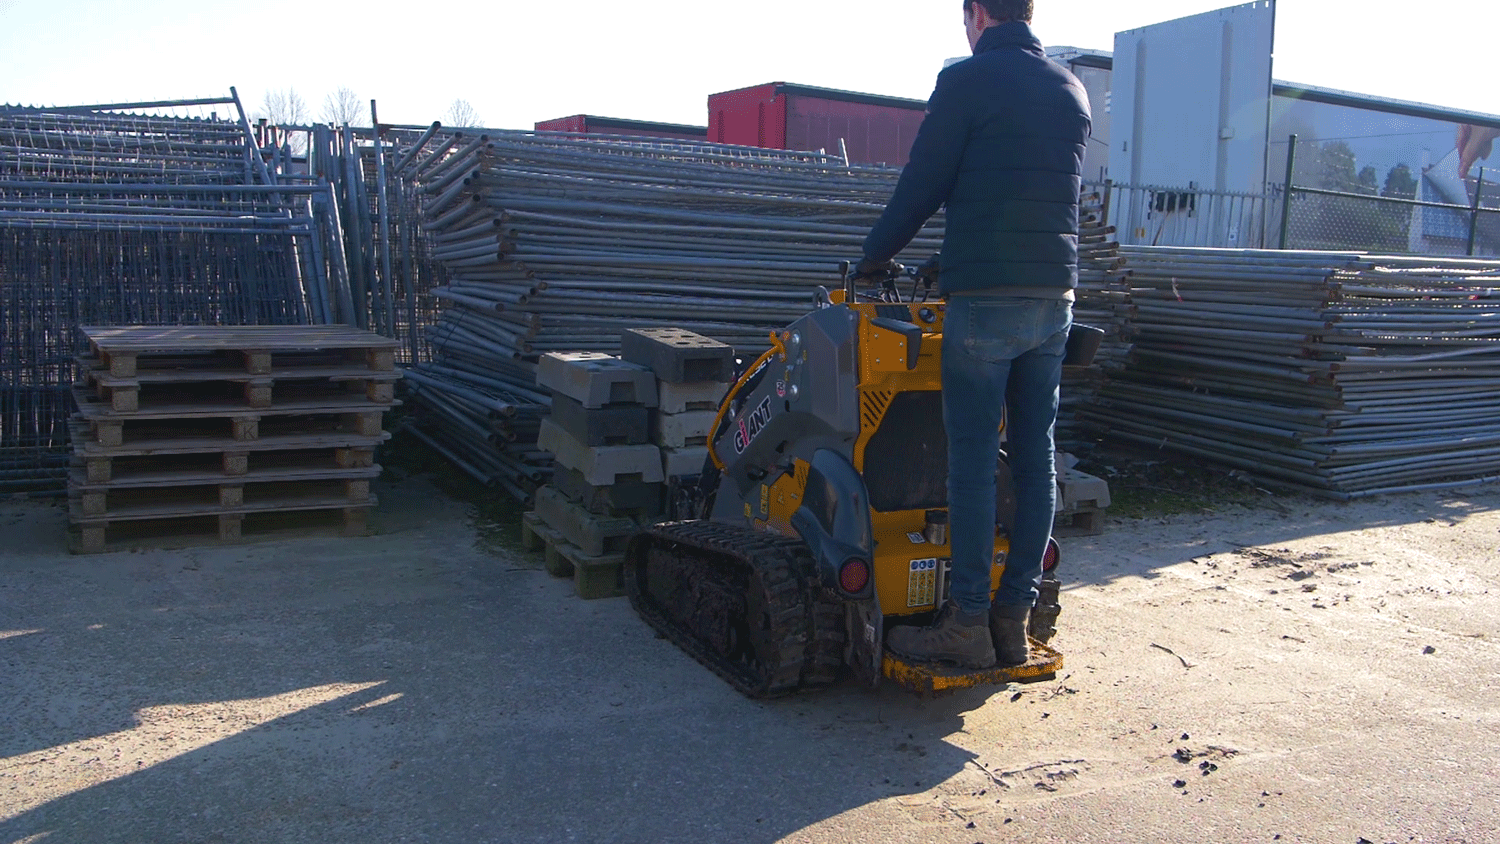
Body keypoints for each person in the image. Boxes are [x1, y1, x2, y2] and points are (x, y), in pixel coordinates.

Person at [858, 0, 1091, 668]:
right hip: (1054, 299)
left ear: (976, 14)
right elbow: (1028, 199)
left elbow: (924, 183)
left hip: (985, 307)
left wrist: (876, 259)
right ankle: (1013, 619)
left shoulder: (965, 80)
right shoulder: (1068, 88)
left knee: (969, 460)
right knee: (1033, 456)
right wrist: (945, 262)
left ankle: (964, 621)